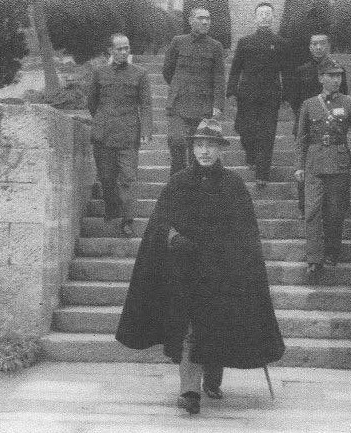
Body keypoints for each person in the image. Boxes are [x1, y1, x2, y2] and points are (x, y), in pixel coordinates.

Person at [115, 118, 285, 415]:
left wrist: (234, 258)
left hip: (221, 273)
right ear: (193, 148)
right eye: (199, 145)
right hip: (185, 273)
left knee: (216, 326)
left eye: (211, 145)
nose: (205, 151)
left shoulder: (233, 185)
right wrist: (174, 237)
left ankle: (213, 380)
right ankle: (189, 390)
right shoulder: (178, 182)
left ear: (221, 150)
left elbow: (246, 232)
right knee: (189, 330)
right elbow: (160, 221)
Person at [294, 58, 351, 276]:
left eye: (339, 75)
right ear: (320, 78)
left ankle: (332, 251)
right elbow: (301, 138)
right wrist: (299, 165)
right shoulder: (309, 104)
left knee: (335, 211)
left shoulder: (350, 103)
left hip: (339, 163)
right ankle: (314, 259)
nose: (336, 80)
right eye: (331, 76)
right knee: (311, 212)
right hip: (314, 163)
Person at [87, 33, 153, 236]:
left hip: (128, 135)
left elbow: (146, 104)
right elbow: (92, 103)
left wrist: (146, 130)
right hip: (103, 135)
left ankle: (128, 220)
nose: (124, 52)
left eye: (126, 48)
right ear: (110, 51)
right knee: (106, 178)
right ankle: (112, 208)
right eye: (119, 49)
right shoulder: (99, 73)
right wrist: (102, 119)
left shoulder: (140, 74)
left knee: (127, 178)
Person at [226, 2, 289, 188]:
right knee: (244, 129)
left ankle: (263, 173)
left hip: (270, 95)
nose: (264, 16)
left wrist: (286, 95)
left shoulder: (280, 43)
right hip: (247, 94)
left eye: (268, 13)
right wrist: (231, 90)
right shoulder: (245, 42)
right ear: (255, 18)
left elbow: (285, 71)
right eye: (260, 13)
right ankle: (251, 155)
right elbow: (236, 69)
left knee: (267, 133)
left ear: (273, 18)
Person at [290, 33, 349, 218]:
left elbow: (344, 98)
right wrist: (305, 117)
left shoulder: (339, 71)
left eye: (322, 44)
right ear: (309, 47)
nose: (318, 47)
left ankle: (330, 207)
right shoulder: (302, 70)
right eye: (314, 44)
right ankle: (304, 206)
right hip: (307, 126)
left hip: (332, 127)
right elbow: (294, 98)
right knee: (305, 167)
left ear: (328, 46)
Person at [163, 7, 225, 176]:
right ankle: (176, 182)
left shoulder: (215, 47)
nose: (205, 22)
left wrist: (218, 105)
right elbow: (167, 71)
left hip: (202, 106)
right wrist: (179, 86)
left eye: (208, 18)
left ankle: (194, 186)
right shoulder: (178, 41)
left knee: (198, 151)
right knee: (176, 141)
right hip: (179, 104)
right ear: (190, 21)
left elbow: (219, 78)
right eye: (200, 18)